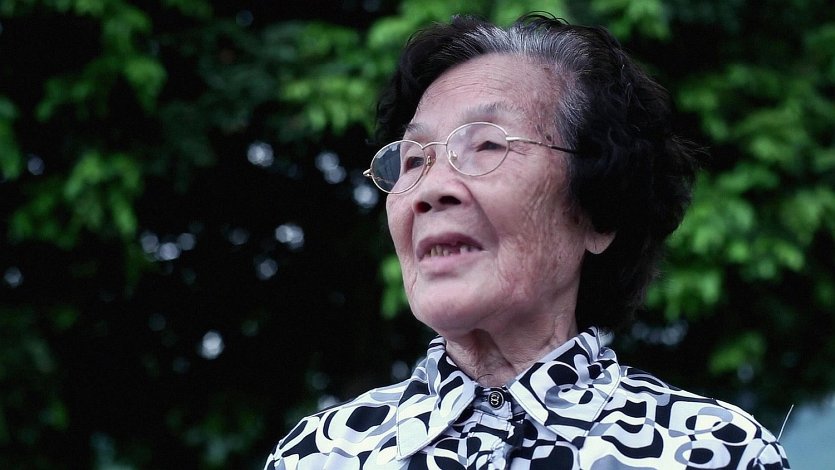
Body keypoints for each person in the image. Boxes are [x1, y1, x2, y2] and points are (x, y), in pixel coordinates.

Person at [264, 13, 790, 469]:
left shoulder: (710, 451)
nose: (429, 189)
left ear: (598, 212)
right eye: (414, 159)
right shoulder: (320, 454)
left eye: (487, 145)